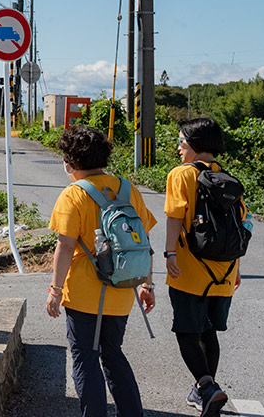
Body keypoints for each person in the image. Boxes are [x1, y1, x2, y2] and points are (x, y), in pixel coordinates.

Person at [46, 125, 156, 417]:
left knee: (85, 358)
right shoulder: (128, 188)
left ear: (70, 162)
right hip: (122, 287)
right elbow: (144, 242)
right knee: (113, 355)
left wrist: (55, 291)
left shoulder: (72, 195)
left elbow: (65, 247)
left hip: (84, 292)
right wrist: (148, 284)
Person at [164, 117, 247, 417]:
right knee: (207, 331)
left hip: (189, 269)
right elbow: (240, 226)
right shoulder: (228, 178)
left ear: (196, 146)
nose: (178, 148)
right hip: (223, 272)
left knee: (187, 331)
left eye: (182, 143)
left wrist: (169, 252)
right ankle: (203, 390)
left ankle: (207, 387)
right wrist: (235, 268)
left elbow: (175, 216)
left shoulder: (181, 175)